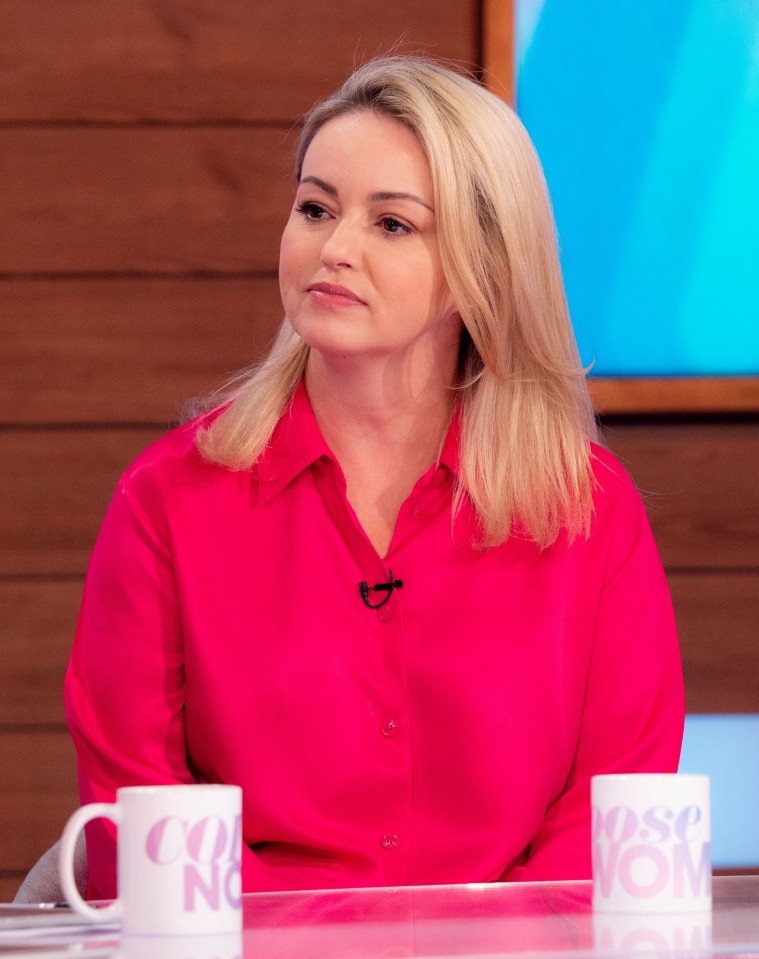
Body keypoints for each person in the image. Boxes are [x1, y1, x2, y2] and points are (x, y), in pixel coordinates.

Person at [64, 56, 684, 899]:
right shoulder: (166, 499)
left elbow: (616, 816)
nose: (334, 248)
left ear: (483, 266)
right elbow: (134, 805)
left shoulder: (590, 512)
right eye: (315, 208)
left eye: (391, 224)